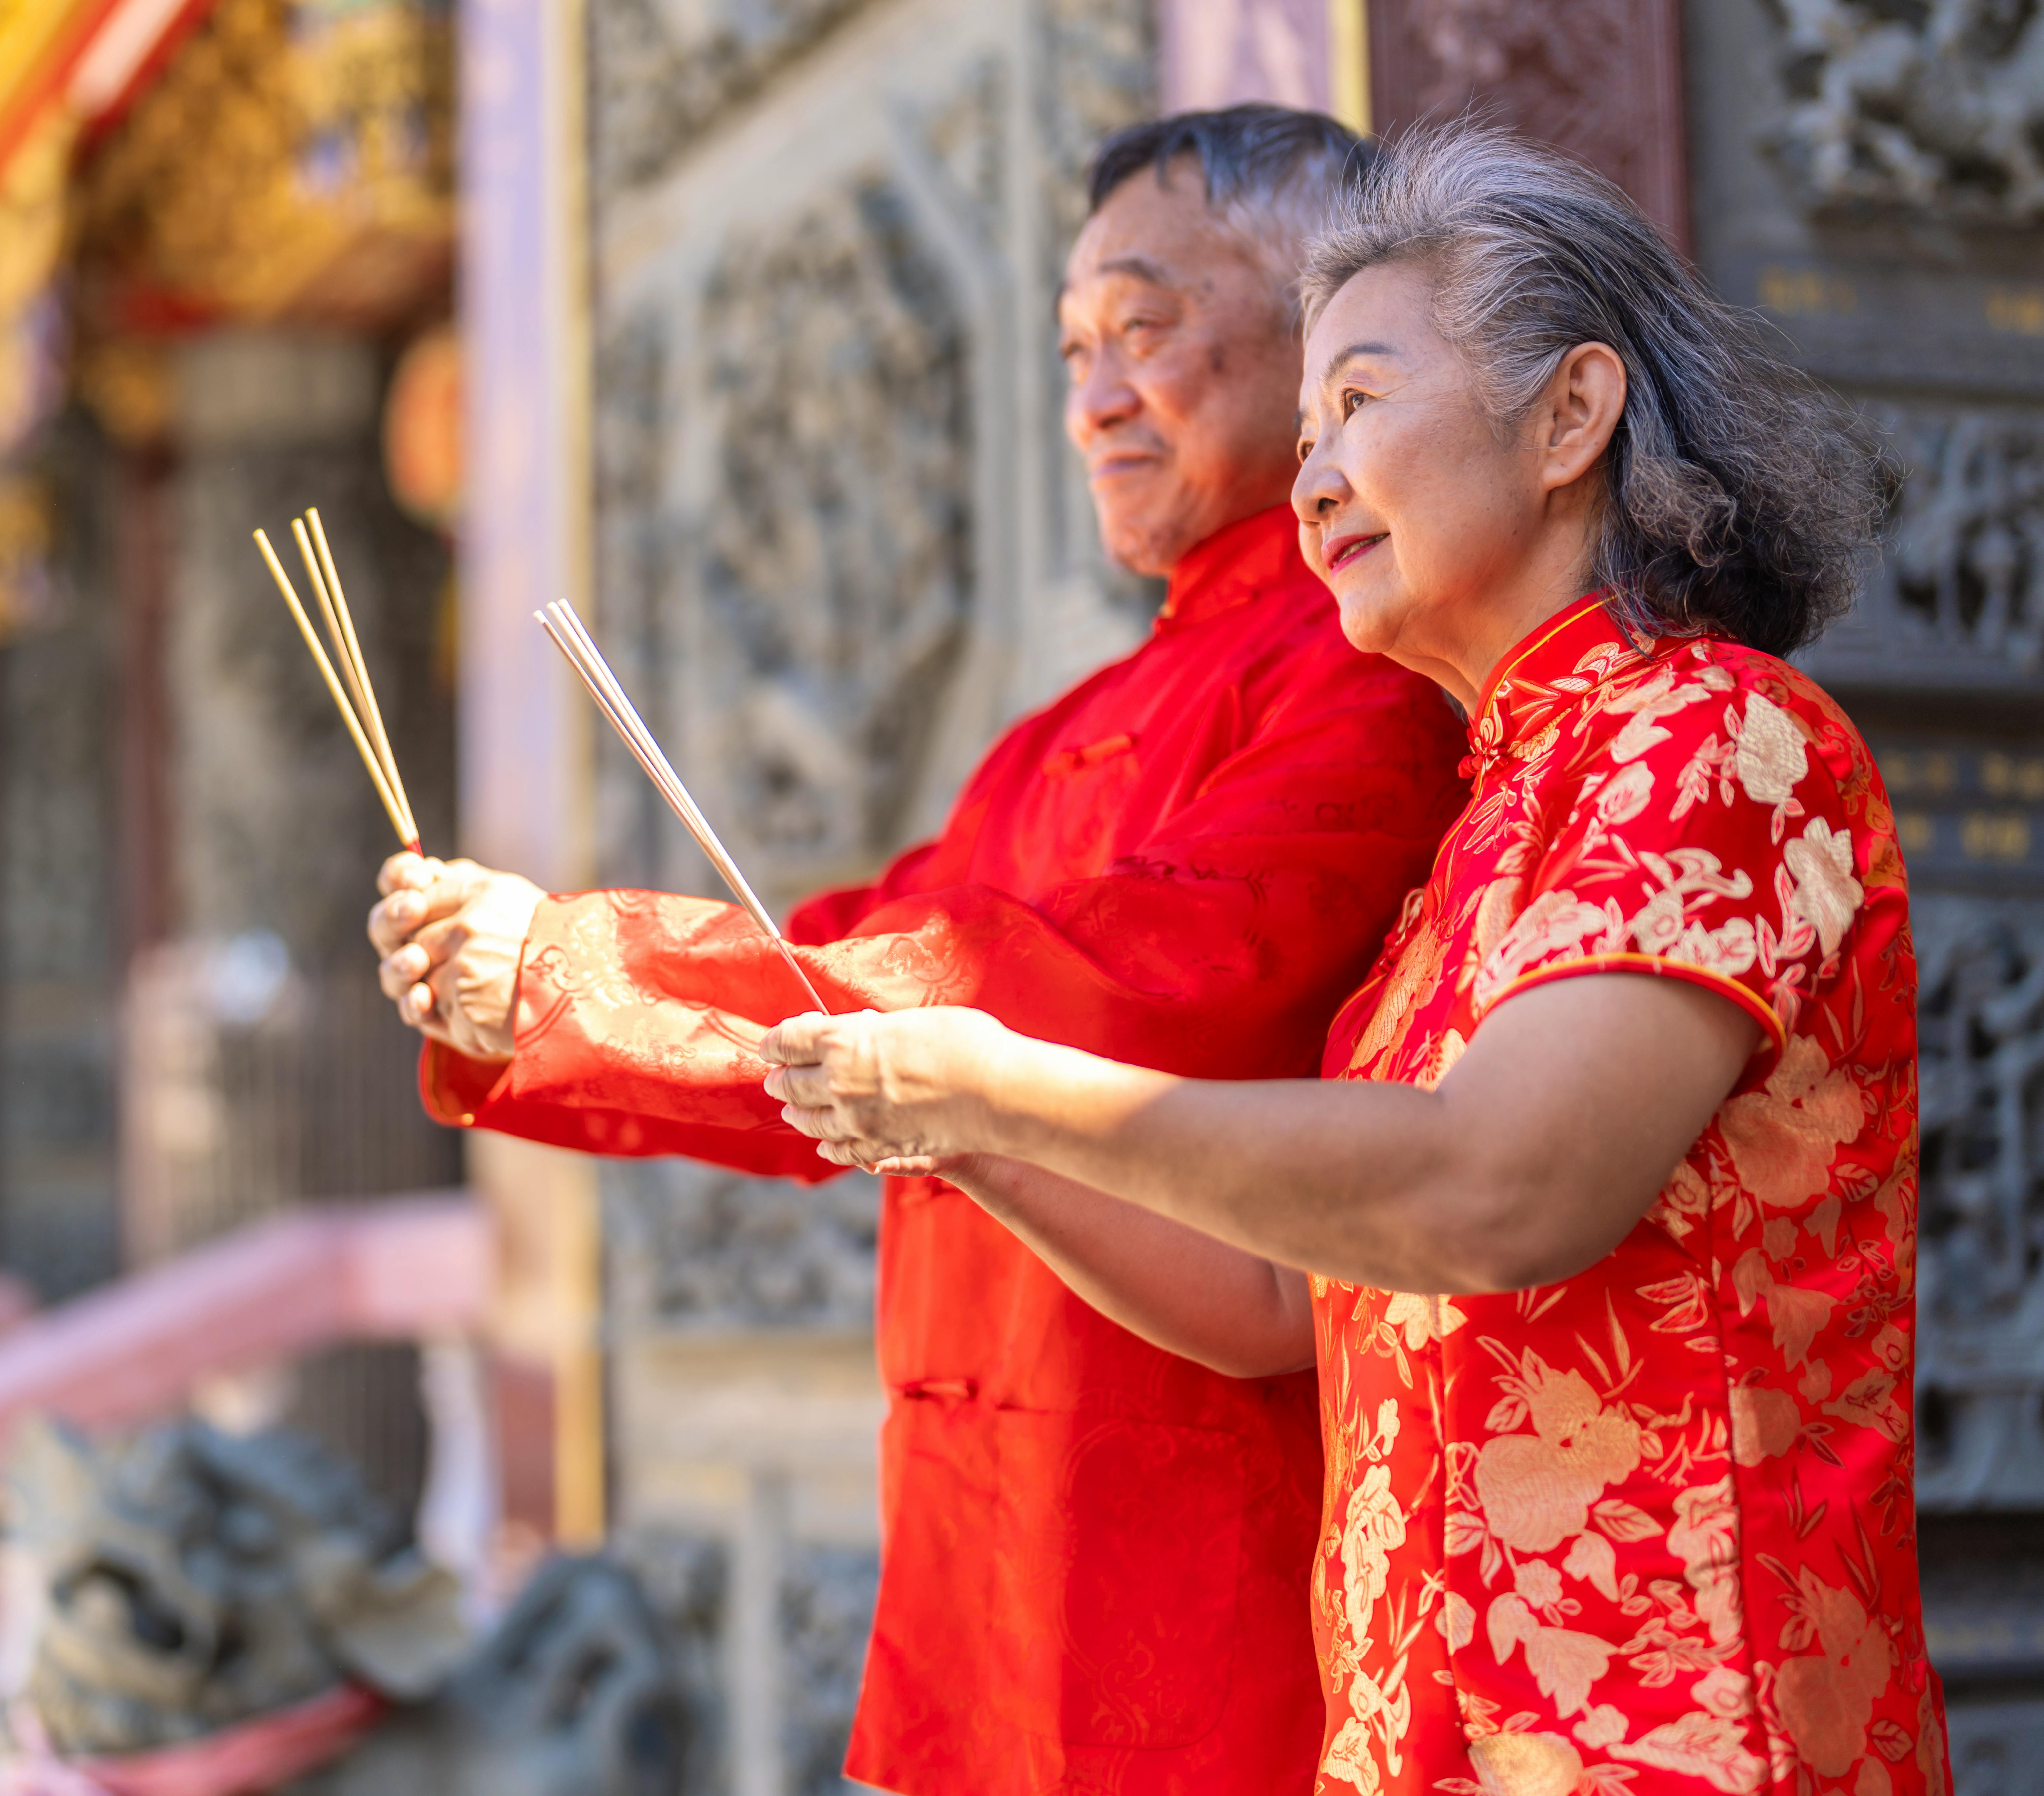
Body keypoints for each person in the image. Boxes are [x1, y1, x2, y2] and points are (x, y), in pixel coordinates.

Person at [764, 122, 1944, 1795]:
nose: (1313, 478)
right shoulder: (1476, 840)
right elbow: (1275, 1303)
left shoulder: (1712, 736)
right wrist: (958, 1132)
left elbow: (1493, 1187)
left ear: (1569, 415)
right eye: (1308, 424)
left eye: (1362, 401)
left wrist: (1009, 1085)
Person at [372, 108, 1471, 1795]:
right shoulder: (1054, 738)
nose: (1094, 397)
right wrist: (527, 992)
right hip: (985, 1558)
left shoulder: (1367, 670)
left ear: (1333, 337)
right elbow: (844, 981)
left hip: (1207, 1559)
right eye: (1072, 348)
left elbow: (1122, 978)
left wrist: (587, 975)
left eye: (1145, 326)